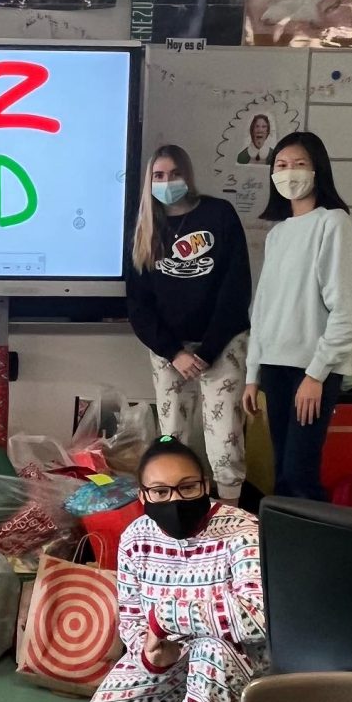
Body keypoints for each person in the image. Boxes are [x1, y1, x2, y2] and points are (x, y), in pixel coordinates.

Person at [84, 436, 268, 702]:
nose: (175, 500)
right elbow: (131, 618)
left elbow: (260, 617)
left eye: (187, 487)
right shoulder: (136, 538)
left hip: (234, 662)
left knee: (212, 651)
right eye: (159, 492)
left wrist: (166, 616)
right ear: (143, 496)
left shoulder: (244, 532)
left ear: (205, 486)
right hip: (170, 656)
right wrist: (150, 655)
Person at [127, 145, 251, 505]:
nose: (167, 182)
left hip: (223, 343)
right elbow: (138, 304)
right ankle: (176, 513)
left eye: (174, 174)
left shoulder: (219, 214)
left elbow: (236, 288)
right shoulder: (144, 227)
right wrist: (174, 352)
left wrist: (209, 351)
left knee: (225, 438)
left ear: (188, 175)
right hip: (169, 349)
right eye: (159, 176)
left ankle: (230, 513)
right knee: (173, 439)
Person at [242, 132, 352, 501]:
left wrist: (315, 375)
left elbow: (347, 312)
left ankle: (319, 554)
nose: (289, 173)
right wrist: (252, 374)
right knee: (281, 475)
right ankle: (281, 551)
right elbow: (262, 310)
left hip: (311, 372)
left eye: (299, 164)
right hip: (274, 368)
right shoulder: (279, 234)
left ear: (317, 170)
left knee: (300, 474)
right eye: (281, 165)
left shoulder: (333, 223)